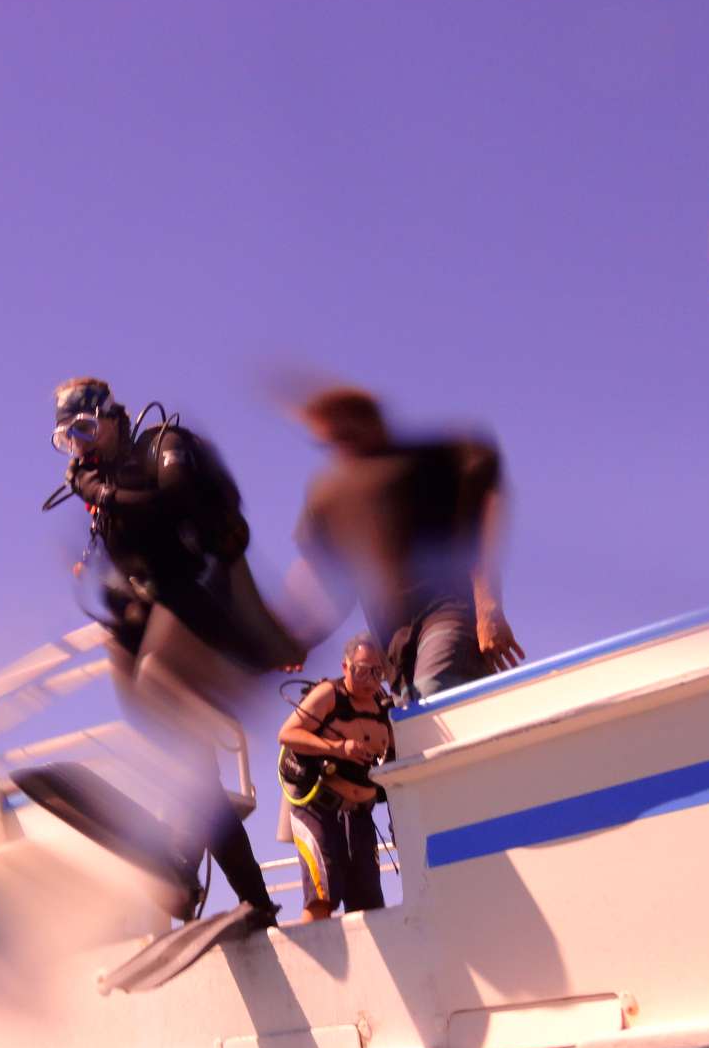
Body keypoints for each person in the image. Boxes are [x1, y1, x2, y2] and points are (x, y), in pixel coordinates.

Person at [48, 376, 285, 926]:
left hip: (202, 600)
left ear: (111, 417)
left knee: (159, 685)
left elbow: (171, 501)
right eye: (66, 439)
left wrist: (101, 493)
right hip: (153, 611)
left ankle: (184, 853)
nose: (78, 445)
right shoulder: (94, 479)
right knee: (192, 771)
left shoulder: (162, 444)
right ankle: (253, 899)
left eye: (84, 429)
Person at [291, 387, 524, 700]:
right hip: (395, 645)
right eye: (330, 442)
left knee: (432, 695)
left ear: (373, 425)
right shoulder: (334, 496)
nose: (341, 449)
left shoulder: (424, 466)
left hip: (447, 613)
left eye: (347, 435)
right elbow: (331, 579)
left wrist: (488, 608)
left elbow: (479, 524)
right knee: (411, 717)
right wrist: (300, 640)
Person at [277, 635, 393, 919]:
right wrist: (339, 749)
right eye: (361, 670)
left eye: (377, 672)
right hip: (317, 809)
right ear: (346, 667)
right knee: (322, 898)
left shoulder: (384, 706)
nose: (370, 679)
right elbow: (287, 734)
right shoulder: (329, 695)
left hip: (360, 816)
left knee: (368, 905)